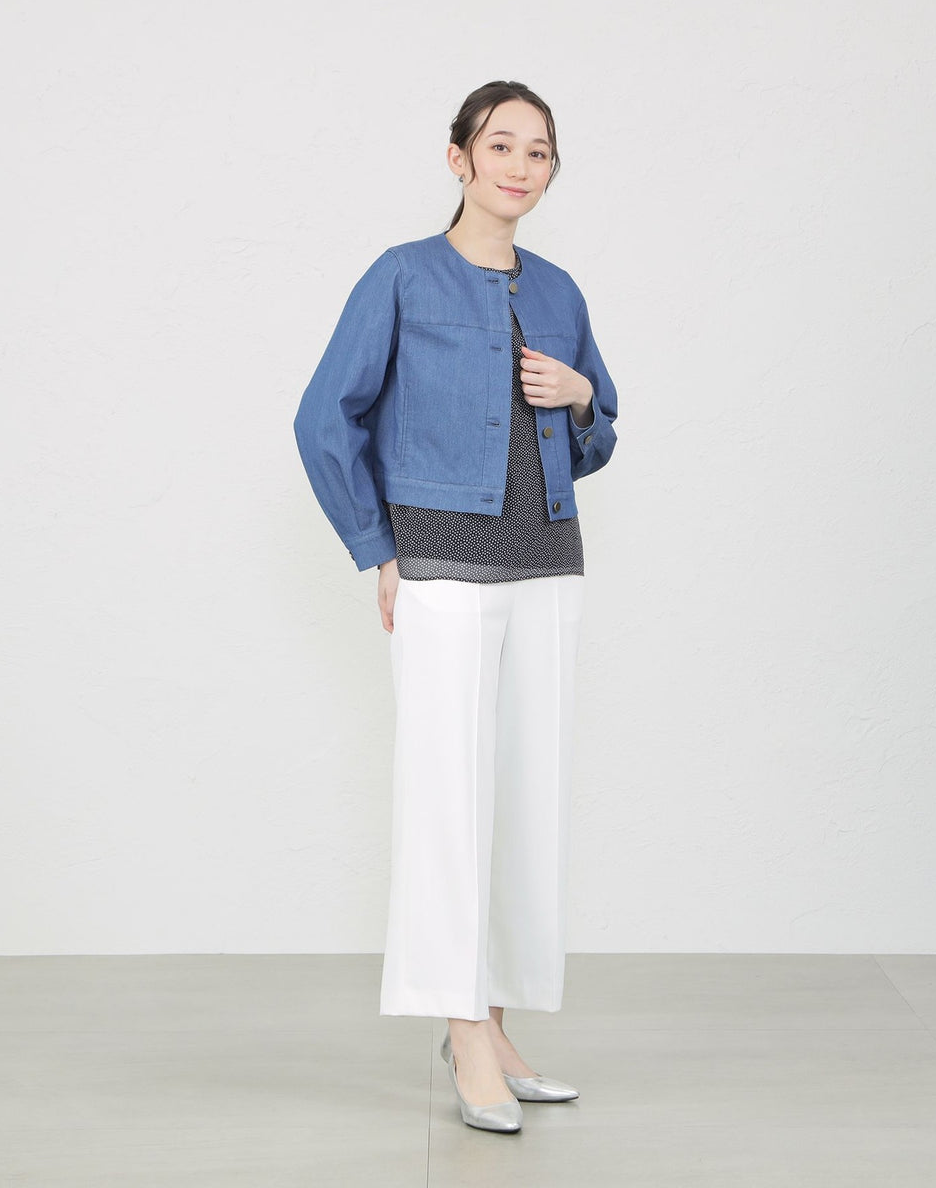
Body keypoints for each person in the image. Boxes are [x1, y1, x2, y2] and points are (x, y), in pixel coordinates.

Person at [293, 80, 618, 1133]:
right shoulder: (401, 275)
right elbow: (324, 417)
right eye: (502, 145)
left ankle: (496, 1021)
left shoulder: (560, 289)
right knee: (447, 799)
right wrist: (375, 549)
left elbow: (598, 432)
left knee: (527, 801)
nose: (521, 166)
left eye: (540, 151)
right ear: (459, 159)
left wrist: (582, 399)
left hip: (548, 562)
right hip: (439, 565)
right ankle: (460, 1029)